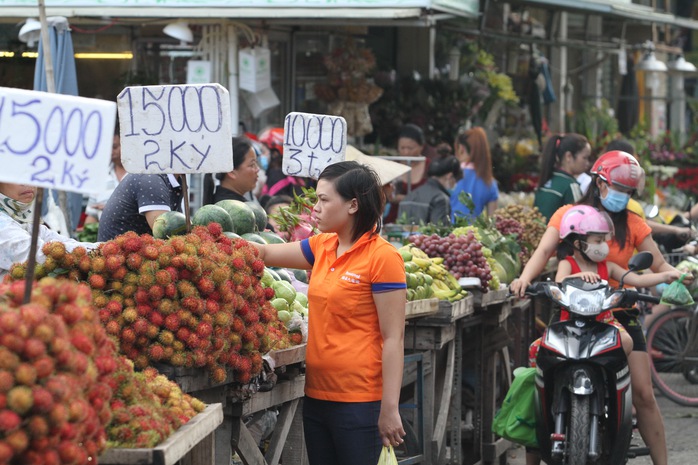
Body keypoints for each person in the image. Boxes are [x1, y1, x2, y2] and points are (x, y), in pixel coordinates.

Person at [511, 150, 692, 465]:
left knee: (645, 394)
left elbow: (655, 266)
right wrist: (523, 280)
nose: (623, 197)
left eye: (628, 192)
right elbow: (543, 252)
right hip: (570, 313)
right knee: (543, 380)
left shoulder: (632, 223)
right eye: (619, 189)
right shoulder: (569, 215)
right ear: (599, 182)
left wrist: (674, 278)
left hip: (618, 315)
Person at [251, 161, 406, 465]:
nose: (315, 208)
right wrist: (211, 241)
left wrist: (389, 407)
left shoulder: (382, 257)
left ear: (352, 205)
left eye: (323, 200)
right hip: (317, 396)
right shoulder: (322, 245)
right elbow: (266, 253)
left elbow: (393, 338)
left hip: (360, 401)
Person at [0, 182, 96, 279]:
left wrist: (98, 249)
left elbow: (58, 240)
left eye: (32, 176)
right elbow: (36, 254)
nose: (27, 182)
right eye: (17, 176)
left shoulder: (25, 221)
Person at [97, 173, 184, 242]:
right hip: (120, 258)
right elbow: (165, 233)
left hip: (140, 255)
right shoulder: (151, 178)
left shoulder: (177, 181)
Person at [533, 133, 591, 221]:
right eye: (585, 158)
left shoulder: (546, 179)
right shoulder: (571, 186)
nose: (588, 163)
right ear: (569, 156)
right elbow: (577, 221)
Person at [397, 155, 462, 226]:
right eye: (455, 181)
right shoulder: (441, 199)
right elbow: (440, 232)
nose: (455, 185)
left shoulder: (409, 197)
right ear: (449, 176)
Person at [450, 127, 499, 220]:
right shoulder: (490, 182)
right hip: (474, 233)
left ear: (461, 149)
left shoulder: (449, 175)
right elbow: (493, 222)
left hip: (446, 233)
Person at [84, 130, 127, 224]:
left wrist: (109, 208)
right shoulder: (100, 177)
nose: (111, 151)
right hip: (105, 236)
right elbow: (92, 215)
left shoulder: (139, 175)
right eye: (108, 147)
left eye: (114, 147)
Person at [203, 136, 260, 204]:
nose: (257, 169)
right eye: (252, 165)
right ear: (231, 172)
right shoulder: (233, 209)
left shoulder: (224, 202)